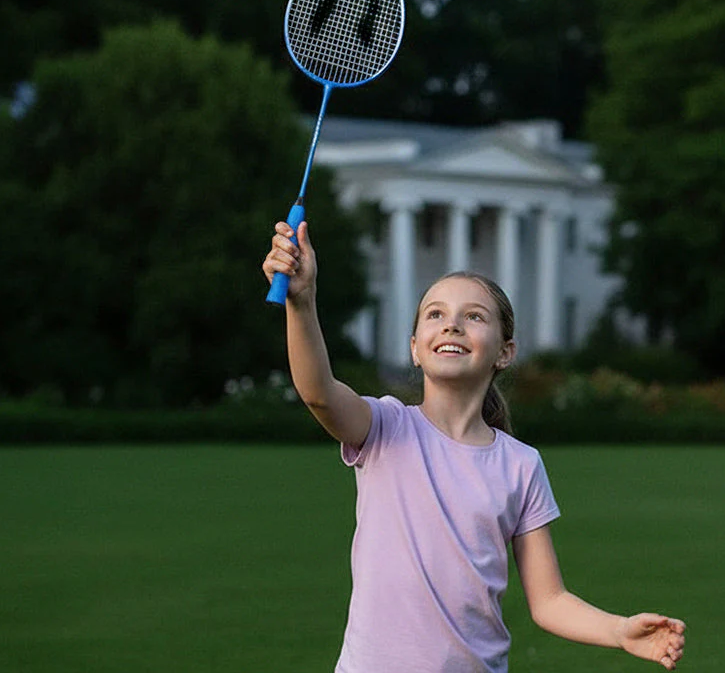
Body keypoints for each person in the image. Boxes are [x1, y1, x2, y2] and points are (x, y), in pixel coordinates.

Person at [262, 219, 686, 673]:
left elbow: (549, 600)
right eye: (436, 314)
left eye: (474, 316)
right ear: (415, 348)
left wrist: (618, 631)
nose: (452, 326)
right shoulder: (386, 427)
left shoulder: (521, 465)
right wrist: (301, 303)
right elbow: (318, 393)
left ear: (504, 352)